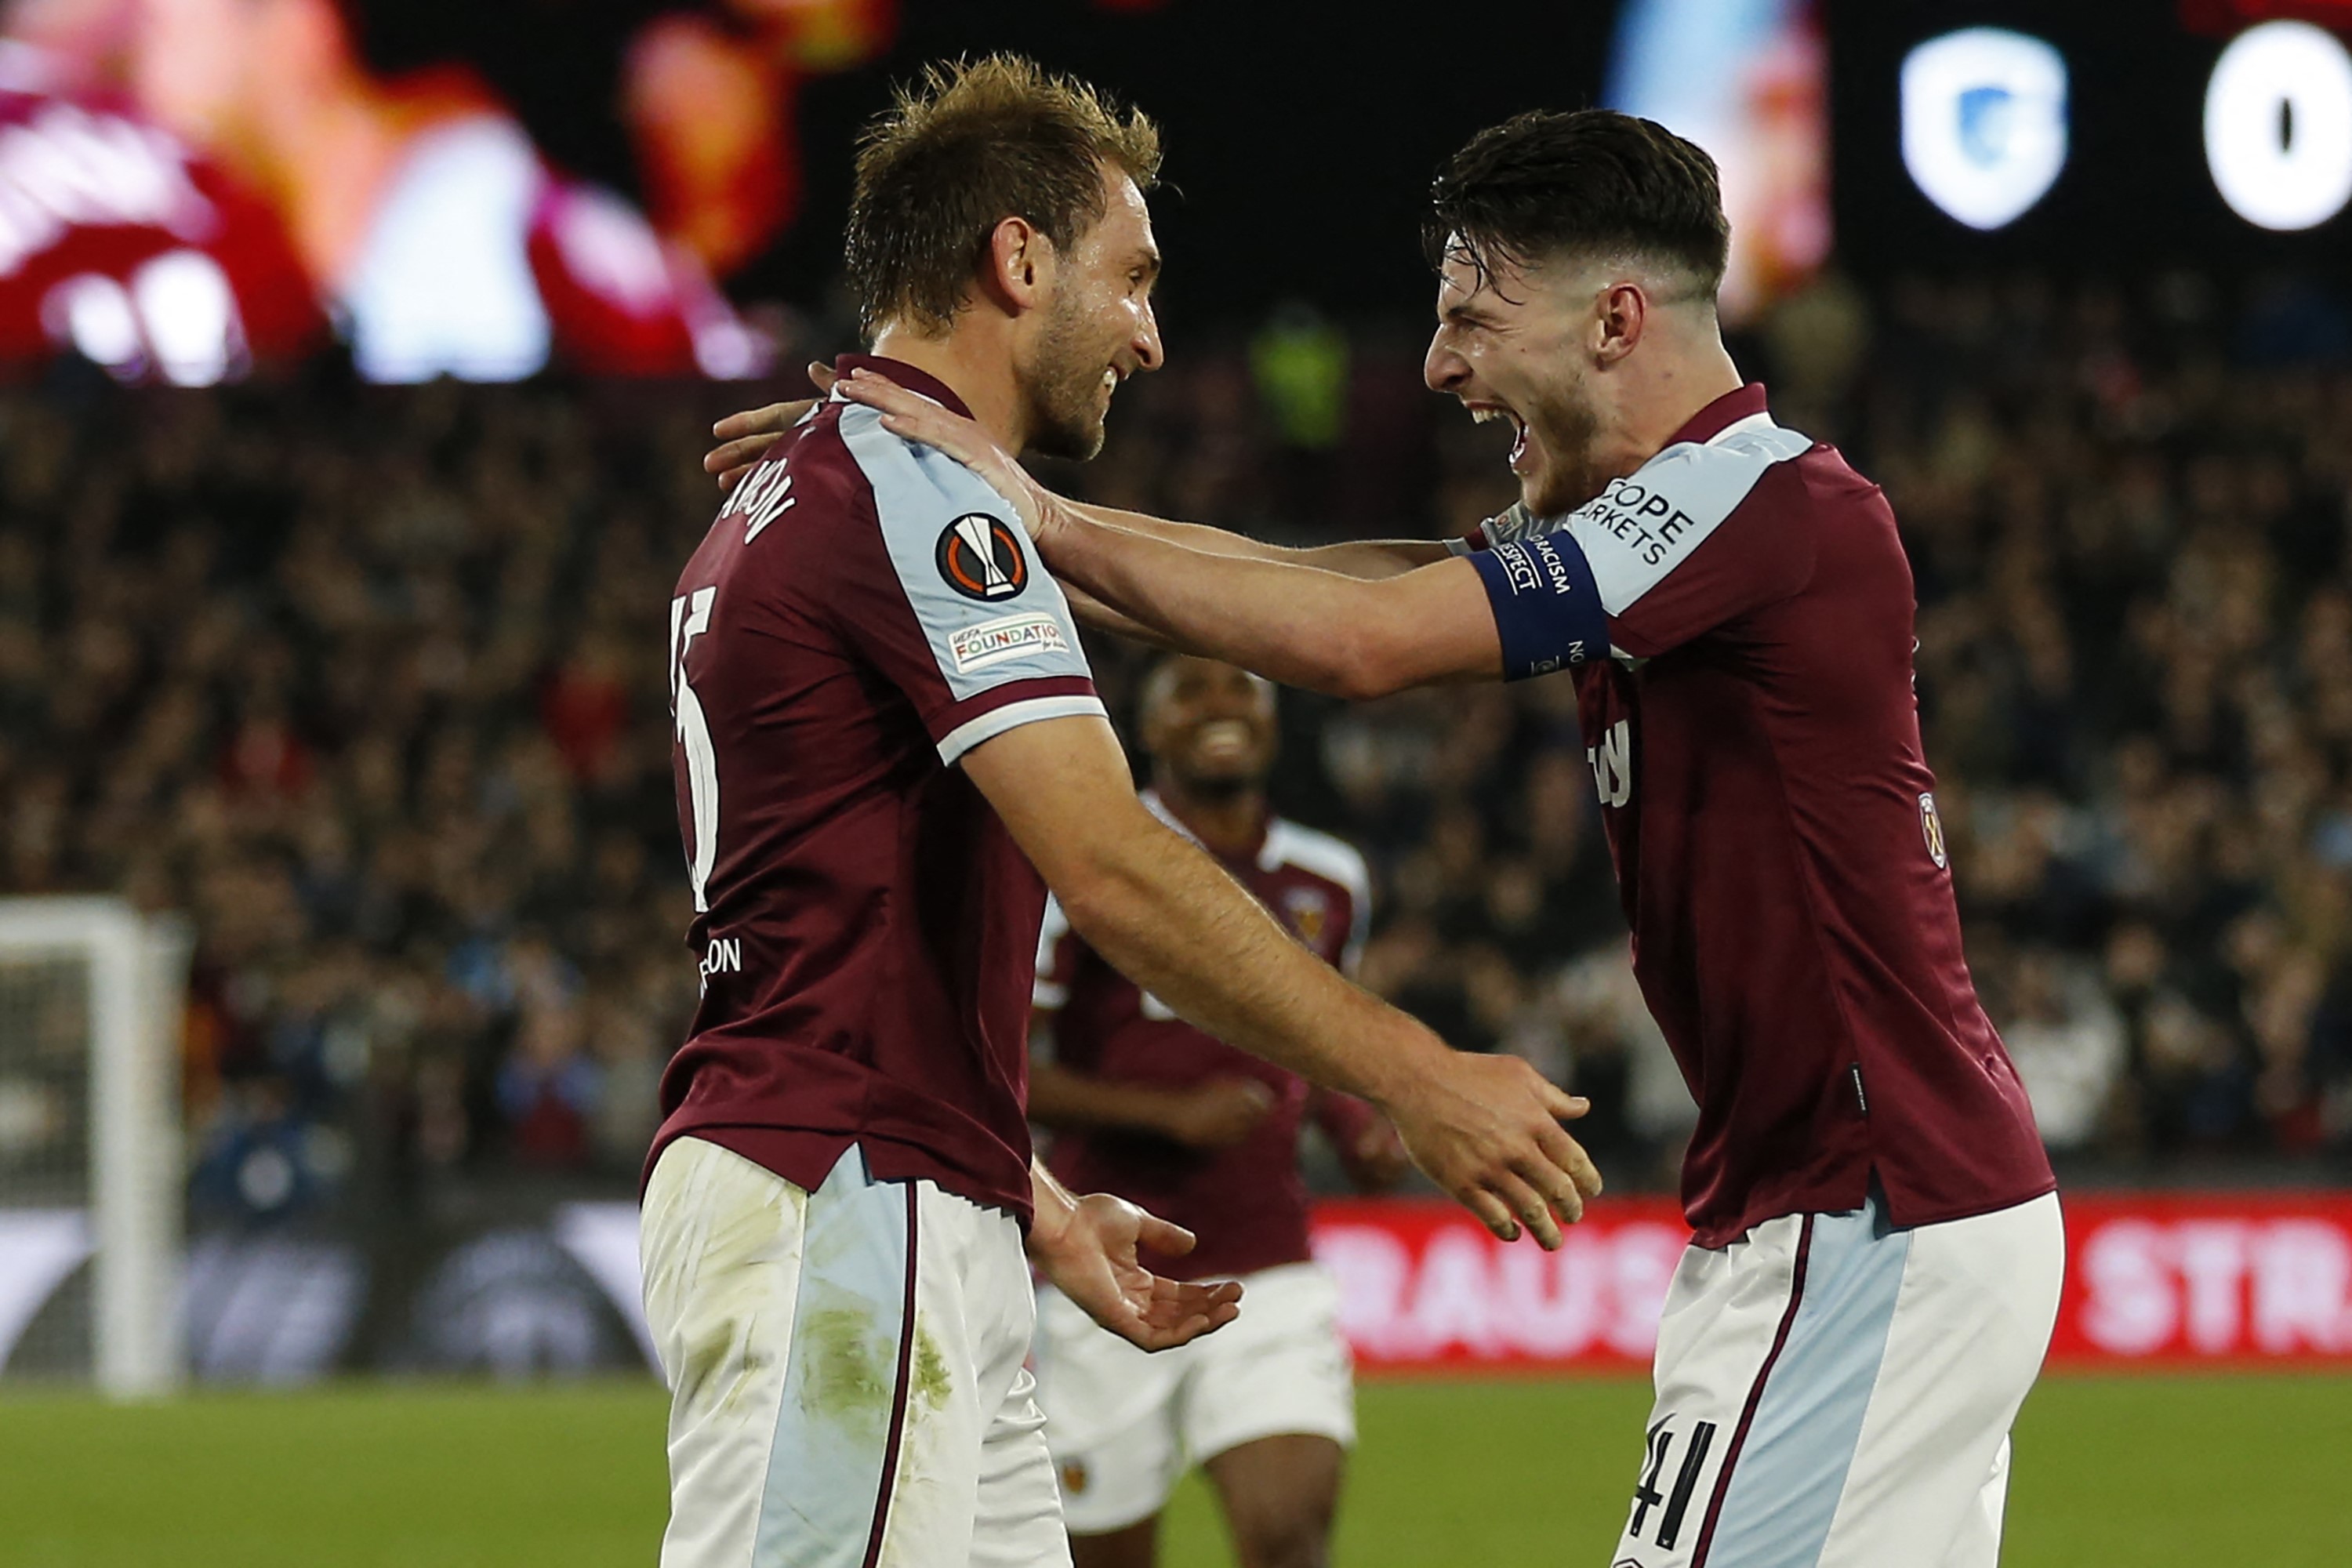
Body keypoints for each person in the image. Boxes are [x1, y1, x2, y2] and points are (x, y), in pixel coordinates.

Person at [788, 108, 2064, 1568]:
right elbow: (1354, 580)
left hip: (1869, 1205)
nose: (1438, 365)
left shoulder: (1759, 498)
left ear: (1616, 320)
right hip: (1856, 1201)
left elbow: (1363, 641)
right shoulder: (1683, 525)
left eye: (1471, 316)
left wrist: (1016, 511)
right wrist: (964, 516)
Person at [648, 60, 1601, 1568]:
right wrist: (1411, 1071)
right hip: (848, 1203)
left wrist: (1021, 1201)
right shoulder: (912, 498)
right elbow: (1112, 868)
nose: (1155, 337)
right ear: (1017, 262)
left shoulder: (833, 489)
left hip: (912, 1190)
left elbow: (838, 936)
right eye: (1134, 277)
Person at [1029, 655, 1406, 1568]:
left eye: (1242, 687)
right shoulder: (1083, 863)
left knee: (1288, 1536)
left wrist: (1353, 1119)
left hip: (1270, 1266)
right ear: (1149, 730)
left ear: (1274, 723)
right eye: (1189, 692)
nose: (1220, 706)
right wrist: (1165, 1113)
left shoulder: (1329, 877)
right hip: (1108, 1268)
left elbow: (1318, 1041)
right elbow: (1000, 1066)